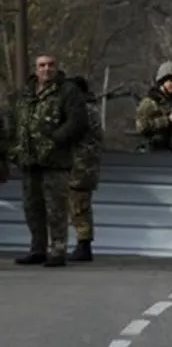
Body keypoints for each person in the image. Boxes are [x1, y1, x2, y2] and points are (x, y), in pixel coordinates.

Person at [11, 53, 89, 267]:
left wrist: (56, 140)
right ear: (36, 69)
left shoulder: (68, 91)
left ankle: (58, 249)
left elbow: (78, 121)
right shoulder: (26, 93)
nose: (46, 69)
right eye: (42, 65)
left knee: (56, 208)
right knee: (32, 208)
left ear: (56, 67)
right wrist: (14, 150)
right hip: (29, 160)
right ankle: (37, 249)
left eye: (51, 65)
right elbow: (14, 120)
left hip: (55, 161)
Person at [66, 75, 104, 261]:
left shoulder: (84, 110)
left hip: (82, 165)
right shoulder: (89, 108)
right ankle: (83, 243)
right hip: (84, 164)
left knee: (78, 205)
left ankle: (84, 244)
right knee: (78, 204)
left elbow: (71, 131)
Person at [134, 61, 172, 153]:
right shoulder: (150, 102)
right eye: (171, 81)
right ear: (162, 81)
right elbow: (141, 126)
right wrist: (167, 120)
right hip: (155, 151)